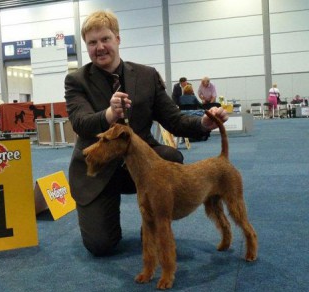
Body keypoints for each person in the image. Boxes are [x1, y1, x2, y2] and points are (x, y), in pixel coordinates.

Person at [64, 10, 228, 256]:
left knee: (171, 157)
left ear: (118, 39)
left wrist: (203, 123)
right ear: (86, 46)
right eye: (92, 42)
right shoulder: (76, 80)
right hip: (98, 172)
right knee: (101, 246)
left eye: (105, 39)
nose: (100, 47)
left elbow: (173, 119)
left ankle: (151, 226)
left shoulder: (146, 75)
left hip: (142, 165)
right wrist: (109, 114)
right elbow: (80, 122)